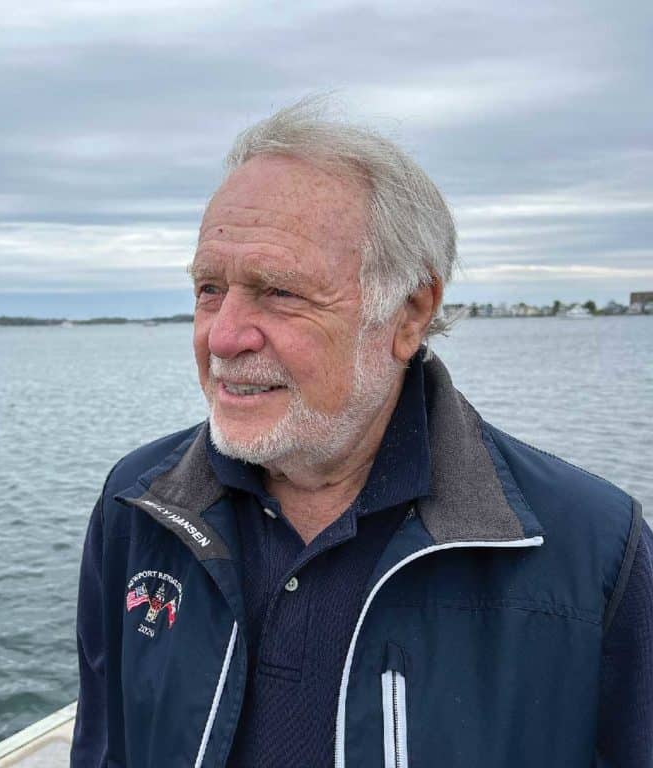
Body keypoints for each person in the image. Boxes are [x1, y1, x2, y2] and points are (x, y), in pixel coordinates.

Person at [70, 100, 652, 767]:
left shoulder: (591, 551)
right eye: (209, 288)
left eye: (279, 292)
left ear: (410, 312)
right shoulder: (140, 507)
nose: (223, 335)